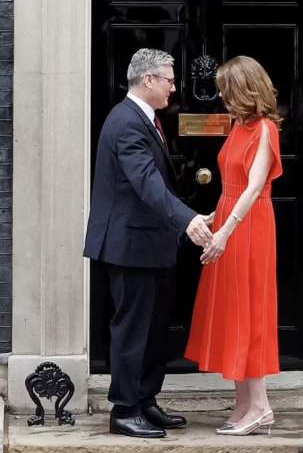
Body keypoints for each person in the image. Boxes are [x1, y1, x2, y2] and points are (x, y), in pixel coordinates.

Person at [84, 48, 213, 439]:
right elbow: (147, 184)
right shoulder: (126, 123)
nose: (174, 87)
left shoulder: (146, 119)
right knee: (132, 329)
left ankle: (145, 400)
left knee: (155, 329)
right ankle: (124, 409)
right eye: (169, 80)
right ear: (149, 80)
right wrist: (187, 219)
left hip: (149, 245)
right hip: (129, 246)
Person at [185, 55, 283, 436]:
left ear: (245, 90)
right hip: (231, 216)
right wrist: (215, 216)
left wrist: (226, 232)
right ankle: (244, 402)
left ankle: (261, 405)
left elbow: (255, 186)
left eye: (227, 90)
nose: (222, 97)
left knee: (250, 309)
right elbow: (233, 185)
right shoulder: (238, 126)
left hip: (250, 226)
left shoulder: (264, 129)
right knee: (233, 309)